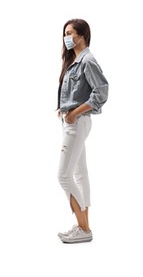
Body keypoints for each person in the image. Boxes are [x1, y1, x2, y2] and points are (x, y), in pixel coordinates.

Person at [55, 19, 108, 244]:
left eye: (70, 33)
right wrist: (64, 107)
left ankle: (84, 228)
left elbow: (101, 92)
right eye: (65, 33)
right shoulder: (74, 60)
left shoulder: (88, 60)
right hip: (72, 122)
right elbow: (75, 92)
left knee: (63, 175)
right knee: (79, 173)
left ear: (82, 35)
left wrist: (75, 112)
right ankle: (83, 225)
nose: (67, 37)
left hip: (78, 123)